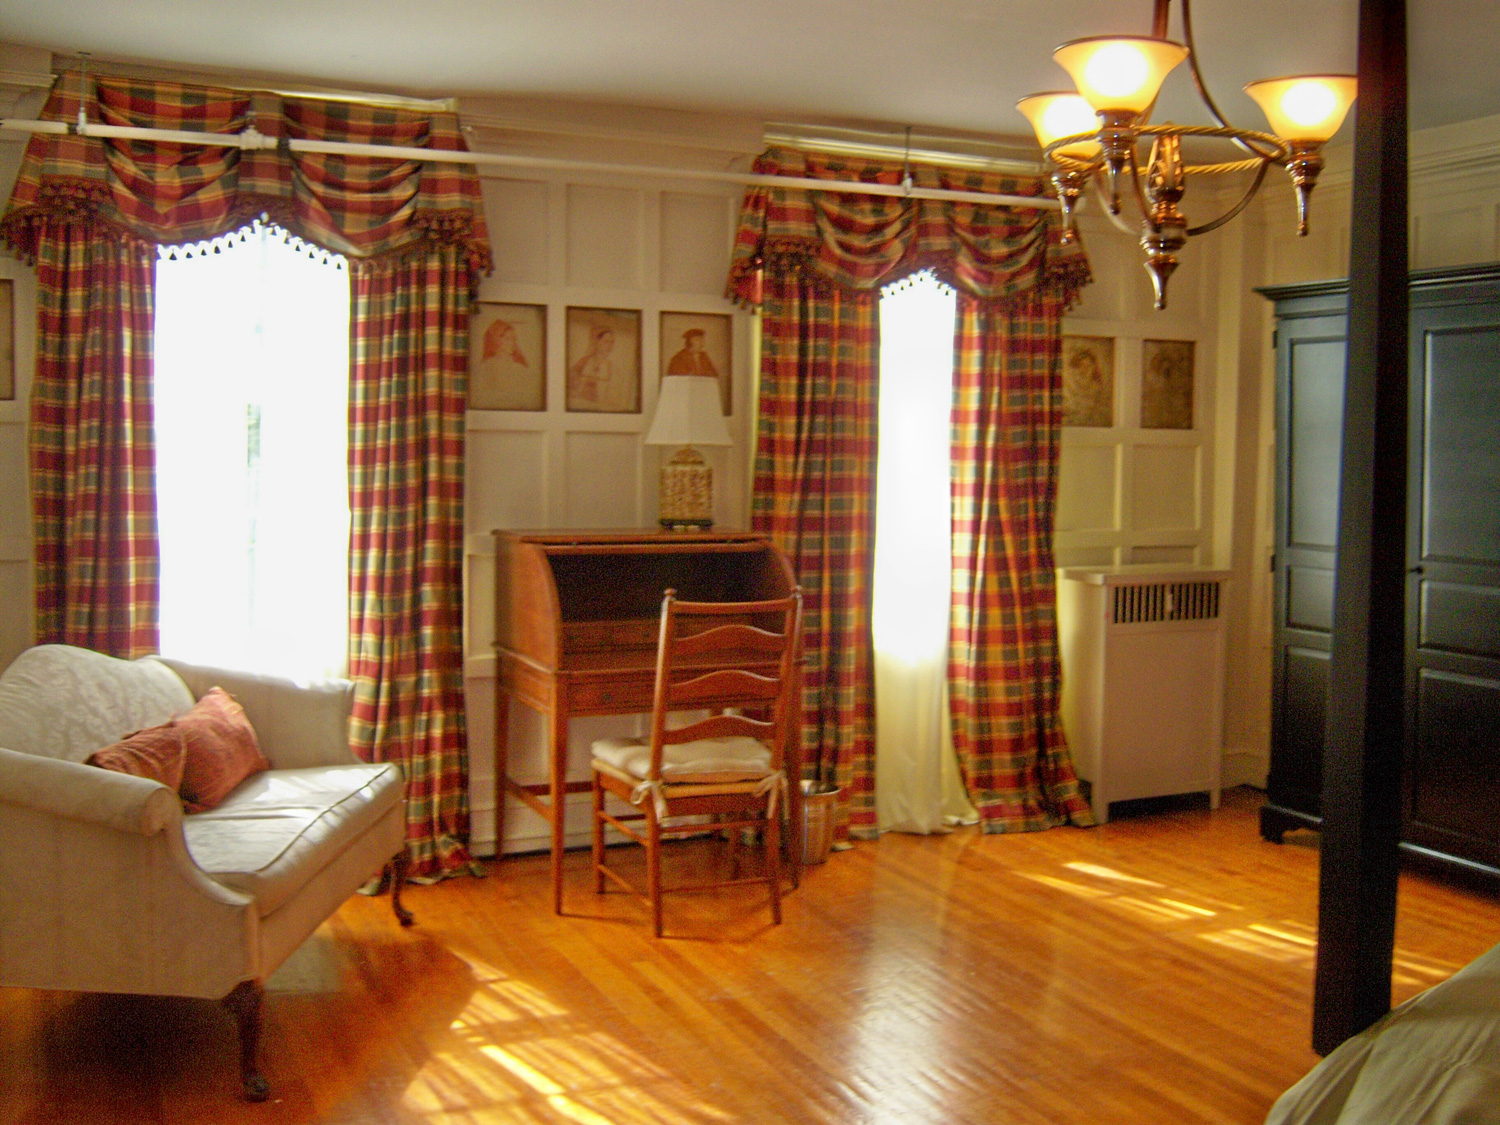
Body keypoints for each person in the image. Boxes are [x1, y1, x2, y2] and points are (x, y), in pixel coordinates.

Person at [569, 326, 617, 408]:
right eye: (606, 342)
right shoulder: (583, 362)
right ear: (597, 342)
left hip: (600, 408)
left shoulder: (612, 368)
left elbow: (613, 396)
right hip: (579, 404)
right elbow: (569, 384)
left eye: (612, 342)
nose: (610, 346)